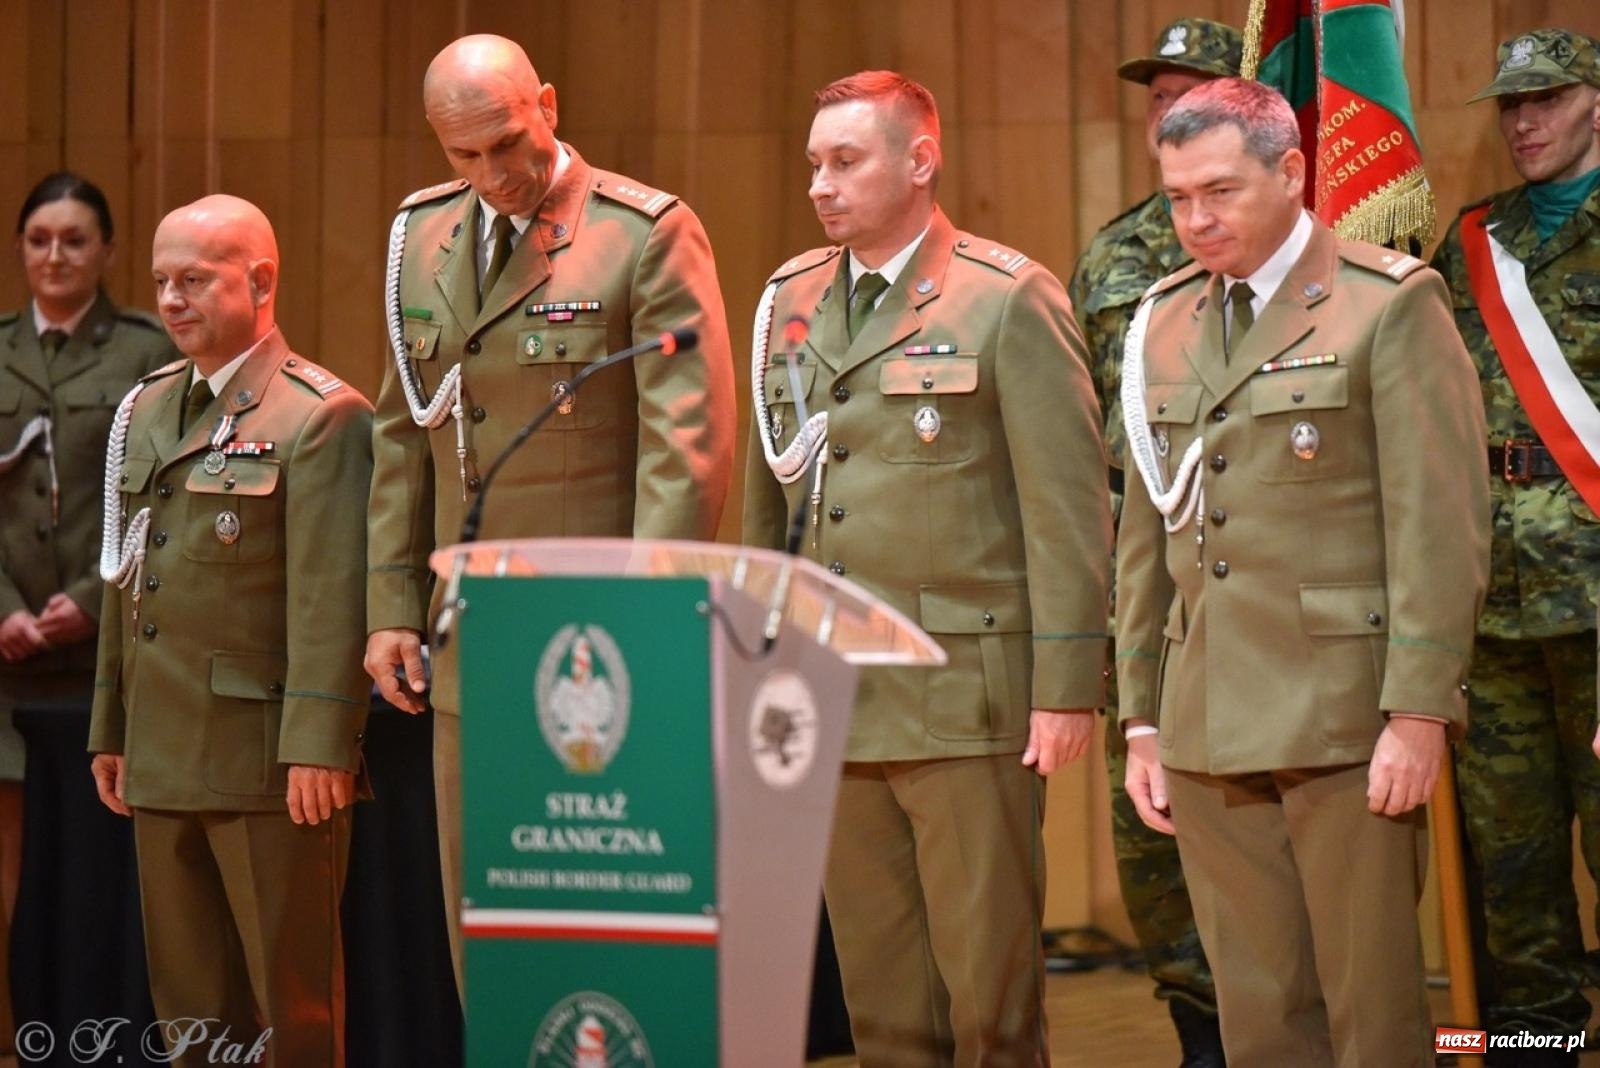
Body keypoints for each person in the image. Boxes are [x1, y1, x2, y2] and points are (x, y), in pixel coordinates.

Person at [1116, 77, 1488, 1066]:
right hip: (1205, 716)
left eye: (1220, 192)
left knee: (1373, 1016)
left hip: (1345, 717)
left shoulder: (1386, 304)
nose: (1196, 219)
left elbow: (1440, 525)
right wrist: (1141, 717)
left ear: (1290, 172)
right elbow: (1147, 532)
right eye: (1177, 197)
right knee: (1259, 1018)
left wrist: (1419, 711)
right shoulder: (1161, 320)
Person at [743, 70, 1111, 1065]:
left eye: (845, 161)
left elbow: (1068, 510)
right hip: (831, 693)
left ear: (920, 161)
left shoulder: (1005, 299)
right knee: (883, 1004)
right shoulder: (787, 300)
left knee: (988, 999)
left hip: (964, 696)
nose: (820, 185)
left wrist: (1066, 687)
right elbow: (770, 503)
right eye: (813, 163)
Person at [364, 33, 735, 994]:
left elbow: (684, 452)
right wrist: (390, 608)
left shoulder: (641, 234)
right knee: (485, 929)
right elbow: (404, 434)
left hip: (595, 647)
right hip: (469, 641)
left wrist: (648, 623)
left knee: (603, 923)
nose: (493, 173)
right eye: (464, 153)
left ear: (550, 107)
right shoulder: (422, 239)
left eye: (506, 142)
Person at [88, 194, 373, 1067]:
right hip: (162, 750)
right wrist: (111, 726)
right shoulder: (146, 408)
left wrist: (322, 744)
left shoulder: (319, 415)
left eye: (195, 280)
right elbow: (125, 579)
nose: (172, 300)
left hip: (268, 764)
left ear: (260, 281)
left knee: (289, 1010)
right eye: (161, 282)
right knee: (192, 1013)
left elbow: (333, 598)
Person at [1066, 18, 1240, 1064]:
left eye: (1194, 91)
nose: (1169, 110)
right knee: (1151, 837)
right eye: (1158, 95)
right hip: (1148, 590)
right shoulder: (1115, 253)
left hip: (1271, 587)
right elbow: (1088, 430)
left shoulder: (1303, 245)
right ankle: (1200, 1037)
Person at [1428, 29, 1600, 1063]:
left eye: (1548, 99)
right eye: (1510, 104)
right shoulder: (1472, 243)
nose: (1524, 122)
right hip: (1491, 595)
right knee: (1512, 854)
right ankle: (1538, 1044)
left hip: (1597, 595)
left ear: (1597, 103)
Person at [0, 171, 173, 1041]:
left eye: (75, 239)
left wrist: (88, 602)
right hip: (7, 663)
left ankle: (109, 1037)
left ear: (107, 249)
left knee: (109, 873)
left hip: (111, 658)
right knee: (15, 867)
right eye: (39, 240)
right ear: (20, 249)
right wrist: (3, 609)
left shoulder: (146, 352)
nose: (56, 255)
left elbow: (162, 501)